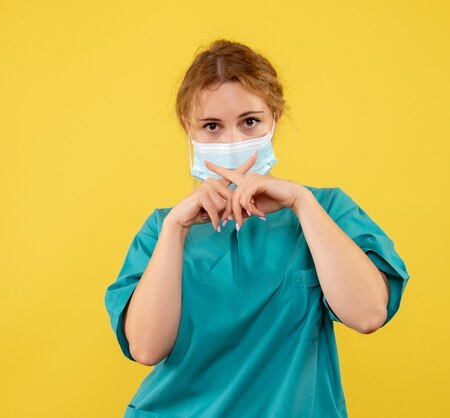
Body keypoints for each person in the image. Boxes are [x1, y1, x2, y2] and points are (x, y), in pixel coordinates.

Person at [103, 39, 411, 418]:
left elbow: (367, 315)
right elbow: (147, 349)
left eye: (250, 122)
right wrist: (175, 230)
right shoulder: (164, 229)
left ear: (274, 120)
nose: (233, 142)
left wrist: (301, 203)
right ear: (189, 130)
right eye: (212, 126)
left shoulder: (324, 210)